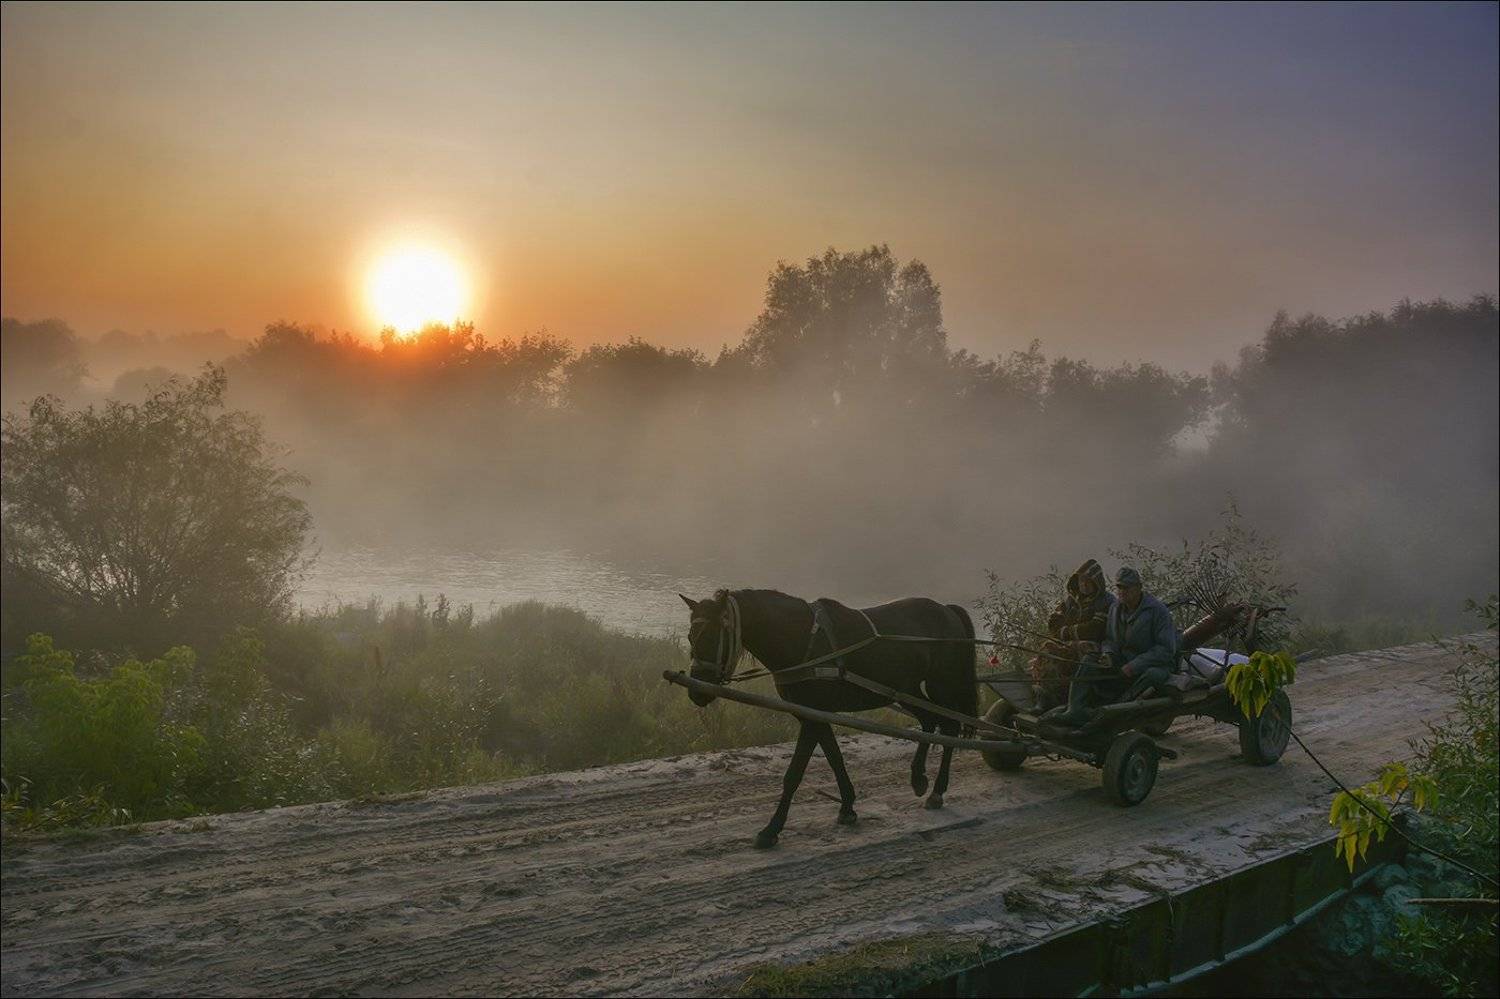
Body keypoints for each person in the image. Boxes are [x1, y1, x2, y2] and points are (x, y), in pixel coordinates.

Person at [1048, 566, 1178, 727]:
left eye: (1126, 587)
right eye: (1119, 587)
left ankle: (1115, 711)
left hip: (1152, 665)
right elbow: (1110, 639)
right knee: (1089, 659)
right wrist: (1108, 655)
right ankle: (1075, 709)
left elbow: (1166, 650)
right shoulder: (1115, 608)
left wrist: (1134, 666)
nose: (1122, 591)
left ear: (1138, 587)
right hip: (1122, 660)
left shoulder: (1157, 611)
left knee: (1153, 675)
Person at [1031, 558, 1114, 710]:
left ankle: (1072, 698)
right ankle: (1045, 693)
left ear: (1097, 582)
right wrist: (1066, 632)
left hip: (1098, 645)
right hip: (1069, 642)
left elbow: (1095, 628)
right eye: (1082, 580)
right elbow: (1054, 622)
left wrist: (1066, 631)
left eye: (1089, 581)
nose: (1085, 584)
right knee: (1047, 648)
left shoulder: (1106, 601)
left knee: (1079, 649)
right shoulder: (1071, 600)